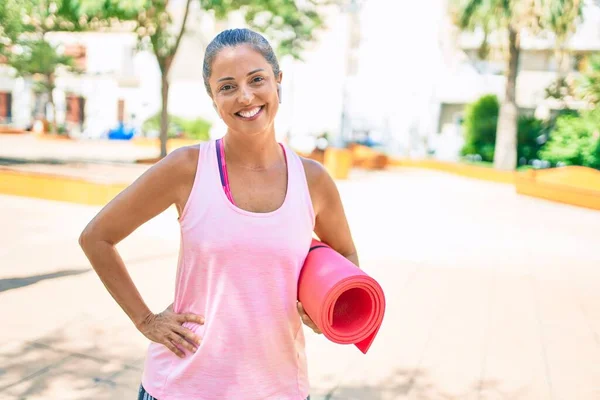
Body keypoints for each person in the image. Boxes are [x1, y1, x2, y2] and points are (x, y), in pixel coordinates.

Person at [79, 28, 359, 400]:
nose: (245, 96)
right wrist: (145, 320)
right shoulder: (187, 168)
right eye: (227, 86)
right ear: (213, 98)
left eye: (257, 79)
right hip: (183, 386)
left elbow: (346, 257)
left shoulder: (313, 181)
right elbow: (96, 237)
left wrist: (325, 308)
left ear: (278, 81)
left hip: (279, 388)